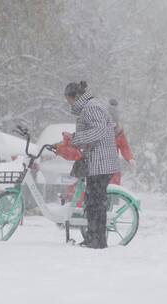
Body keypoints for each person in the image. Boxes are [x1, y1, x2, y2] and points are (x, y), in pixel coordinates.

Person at [64, 80, 119, 249]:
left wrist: (76, 139)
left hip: (101, 163)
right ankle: (92, 238)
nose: (69, 104)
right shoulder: (89, 107)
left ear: (76, 97)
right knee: (93, 201)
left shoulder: (91, 107)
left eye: (69, 100)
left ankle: (97, 240)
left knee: (96, 202)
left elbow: (99, 131)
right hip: (98, 162)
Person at [107, 99, 135, 185]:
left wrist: (130, 158)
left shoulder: (119, 133)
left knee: (114, 182)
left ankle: (113, 196)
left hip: (113, 164)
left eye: (114, 123)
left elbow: (124, 147)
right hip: (100, 163)